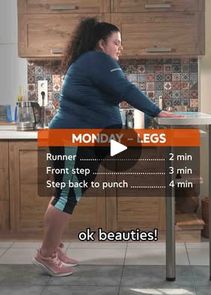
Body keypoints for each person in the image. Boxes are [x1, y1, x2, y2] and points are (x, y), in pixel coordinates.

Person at [33, 17, 179, 277]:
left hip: (81, 138)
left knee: (65, 193)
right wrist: (158, 111)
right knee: (68, 194)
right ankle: (46, 255)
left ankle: (54, 248)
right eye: (116, 42)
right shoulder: (98, 60)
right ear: (101, 43)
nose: (119, 48)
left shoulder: (90, 61)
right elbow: (125, 89)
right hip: (73, 138)